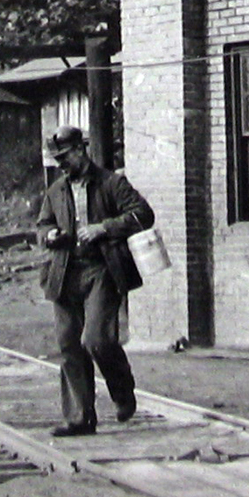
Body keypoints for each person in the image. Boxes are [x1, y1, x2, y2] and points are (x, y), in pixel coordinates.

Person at [35, 125, 154, 436]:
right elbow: (42, 223)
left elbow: (143, 213)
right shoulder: (55, 191)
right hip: (64, 273)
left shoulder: (111, 183)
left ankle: (123, 392)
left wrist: (104, 227)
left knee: (97, 340)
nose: (61, 164)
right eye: (57, 159)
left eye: (64, 157)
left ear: (80, 150)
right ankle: (80, 418)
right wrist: (48, 235)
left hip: (102, 270)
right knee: (68, 344)